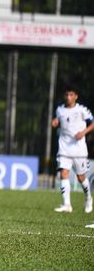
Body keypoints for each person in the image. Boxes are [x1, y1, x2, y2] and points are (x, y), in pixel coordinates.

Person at [51, 85, 94, 213]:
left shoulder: (82, 110)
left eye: (71, 95)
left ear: (76, 96)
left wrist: (83, 132)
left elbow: (92, 123)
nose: (68, 97)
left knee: (81, 177)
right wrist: (55, 122)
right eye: (67, 95)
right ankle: (67, 204)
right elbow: (58, 120)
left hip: (79, 150)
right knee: (63, 174)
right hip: (64, 149)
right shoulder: (60, 110)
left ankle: (88, 198)